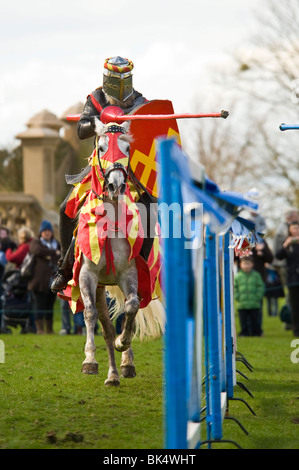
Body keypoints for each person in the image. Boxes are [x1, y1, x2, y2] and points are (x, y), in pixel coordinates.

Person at [51, 56, 148, 292]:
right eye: (116, 79)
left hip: (130, 167)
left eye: (124, 79)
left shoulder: (141, 102)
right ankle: (64, 269)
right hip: (101, 167)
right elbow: (81, 130)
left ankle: (143, 265)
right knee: (66, 209)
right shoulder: (96, 99)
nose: (121, 85)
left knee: (151, 207)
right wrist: (98, 120)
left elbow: (150, 133)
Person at [28, 220, 60, 334]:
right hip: (39, 281)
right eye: (44, 230)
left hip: (53, 280)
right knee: (39, 305)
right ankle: (39, 329)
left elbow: (61, 254)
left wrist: (48, 254)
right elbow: (36, 250)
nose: (47, 233)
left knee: (49, 305)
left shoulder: (56, 243)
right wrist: (53, 253)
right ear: (41, 232)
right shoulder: (36, 242)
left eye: (49, 230)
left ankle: (49, 329)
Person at [276, 221, 299, 337]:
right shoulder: (288, 243)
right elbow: (278, 256)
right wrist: (286, 244)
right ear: (290, 230)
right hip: (293, 278)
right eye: (293, 229)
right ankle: (296, 329)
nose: (295, 231)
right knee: (295, 305)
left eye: (297, 228)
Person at [234, 256, 265, 336]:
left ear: (252, 264)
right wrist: (237, 296)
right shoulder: (237, 276)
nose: (246, 266)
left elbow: (260, 286)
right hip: (242, 303)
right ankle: (244, 332)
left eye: (248, 264)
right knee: (243, 320)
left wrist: (258, 296)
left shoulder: (256, 275)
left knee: (254, 319)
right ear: (240, 265)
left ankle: (256, 332)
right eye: (244, 264)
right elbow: (235, 287)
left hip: (254, 302)